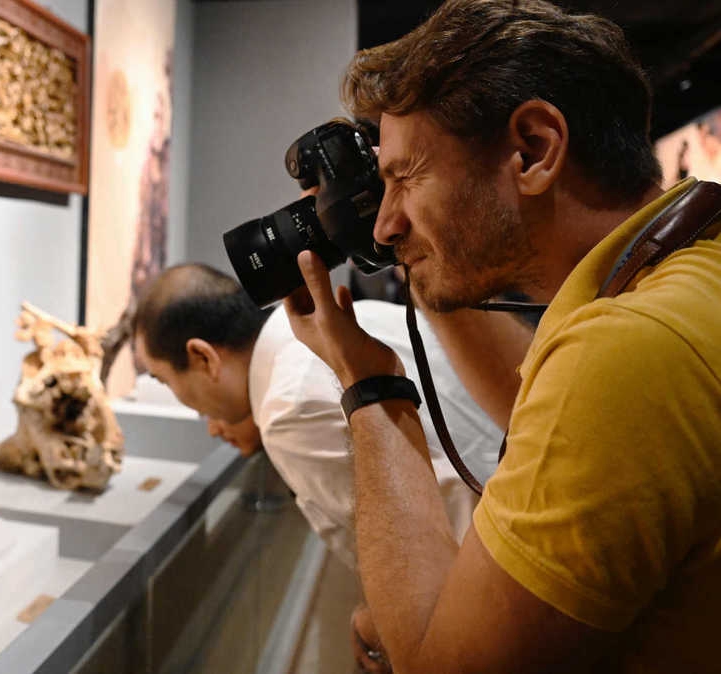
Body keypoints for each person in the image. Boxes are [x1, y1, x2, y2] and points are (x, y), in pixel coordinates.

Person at [284, 1, 721, 671]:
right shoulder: (681, 276)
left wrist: (367, 383)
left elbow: (440, 666)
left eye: (404, 177)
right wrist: (430, 275)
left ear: (533, 150)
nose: (381, 226)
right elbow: (544, 425)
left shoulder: (628, 350)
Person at [132, 263, 501, 570]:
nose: (185, 404)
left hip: (501, 577)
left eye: (165, 381)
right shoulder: (349, 318)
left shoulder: (288, 410)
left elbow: (415, 552)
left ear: (203, 357)